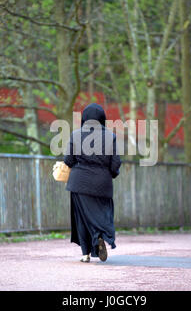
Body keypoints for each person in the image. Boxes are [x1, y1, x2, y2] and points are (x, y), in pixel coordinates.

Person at [63, 103, 121, 263]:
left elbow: (68, 160)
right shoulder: (111, 136)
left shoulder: (75, 135)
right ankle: (100, 237)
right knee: (103, 214)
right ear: (102, 118)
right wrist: (112, 174)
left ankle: (85, 253)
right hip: (102, 184)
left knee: (81, 218)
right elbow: (116, 163)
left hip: (79, 182)